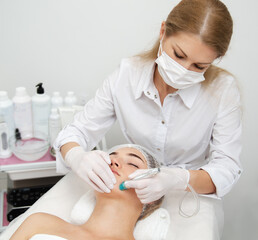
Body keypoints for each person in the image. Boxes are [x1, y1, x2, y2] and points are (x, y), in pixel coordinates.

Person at [54, 0, 242, 235]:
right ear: (163, 31)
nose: (184, 69)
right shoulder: (126, 76)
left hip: (191, 197)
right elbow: (75, 133)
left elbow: (228, 167)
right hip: (132, 195)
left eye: (199, 66)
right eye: (179, 55)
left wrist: (177, 179)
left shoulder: (223, 90)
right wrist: (77, 157)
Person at [10, 145, 164, 240]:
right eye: (110, 158)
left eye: (133, 164)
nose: (113, 162)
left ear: (153, 193)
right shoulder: (40, 222)